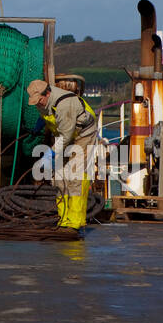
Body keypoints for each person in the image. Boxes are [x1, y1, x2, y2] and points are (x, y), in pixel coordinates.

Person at [27, 79, 99, 233]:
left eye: (40, 101)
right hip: (64, 134)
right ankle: (63, 218)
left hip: (83, 135)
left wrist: (51, 153)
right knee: (59, 178)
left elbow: (66, 137)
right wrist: (38, 126)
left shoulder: (64, 104)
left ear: (47, 93)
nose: (38, 105)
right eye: (36, 103)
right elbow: (47, 116)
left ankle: (74, 223)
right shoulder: (43, 102)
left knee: (74, 177)